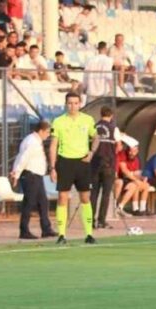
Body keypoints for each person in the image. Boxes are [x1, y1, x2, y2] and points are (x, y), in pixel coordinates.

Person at [49, 92, 98, 244]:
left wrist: (91, 152)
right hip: (65, 162)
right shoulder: (58, 122)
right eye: (70, 103)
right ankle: (61, 235)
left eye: (76, 103)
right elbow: (53, 145)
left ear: (80, 104)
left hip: (82, 162)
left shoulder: (88, 120)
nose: (73, 106)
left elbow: (96, 137)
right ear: (66, 104)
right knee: (63, 197)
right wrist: (52, 167)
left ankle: (89, 234)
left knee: (85, 198)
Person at [10, 120, 55, 239]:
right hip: (30, 175)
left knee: (43, 202)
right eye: (47, 132)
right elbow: (23, 158)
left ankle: (46, 228)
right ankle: (24, 230)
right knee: (29, 203)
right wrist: (16, 174)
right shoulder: (32, 142)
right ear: (40, 131)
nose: (48, 134)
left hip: (37, 176)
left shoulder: (35, 141)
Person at [89, 105, 120, 228]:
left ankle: (90, 221)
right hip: (108, 163)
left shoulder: (94, 126)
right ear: (111, 115)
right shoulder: (114, 128)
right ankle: (102, 221)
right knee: (106, 194)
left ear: (101, 114)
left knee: (94, 193)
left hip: (94, 163)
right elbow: (118, 146)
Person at [116, 140, 149, 216]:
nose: (131, 153)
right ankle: (121, 207)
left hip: (129, 179)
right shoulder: (123, 155)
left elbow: (136, 173)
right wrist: (136, 179)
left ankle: (141, 209)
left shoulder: (136, 159)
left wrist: (142, 177)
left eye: (134, 151)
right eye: (130, 150)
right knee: (135, 184)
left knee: (146, 185)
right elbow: (124, 171)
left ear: (137, 151)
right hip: (122, 178)